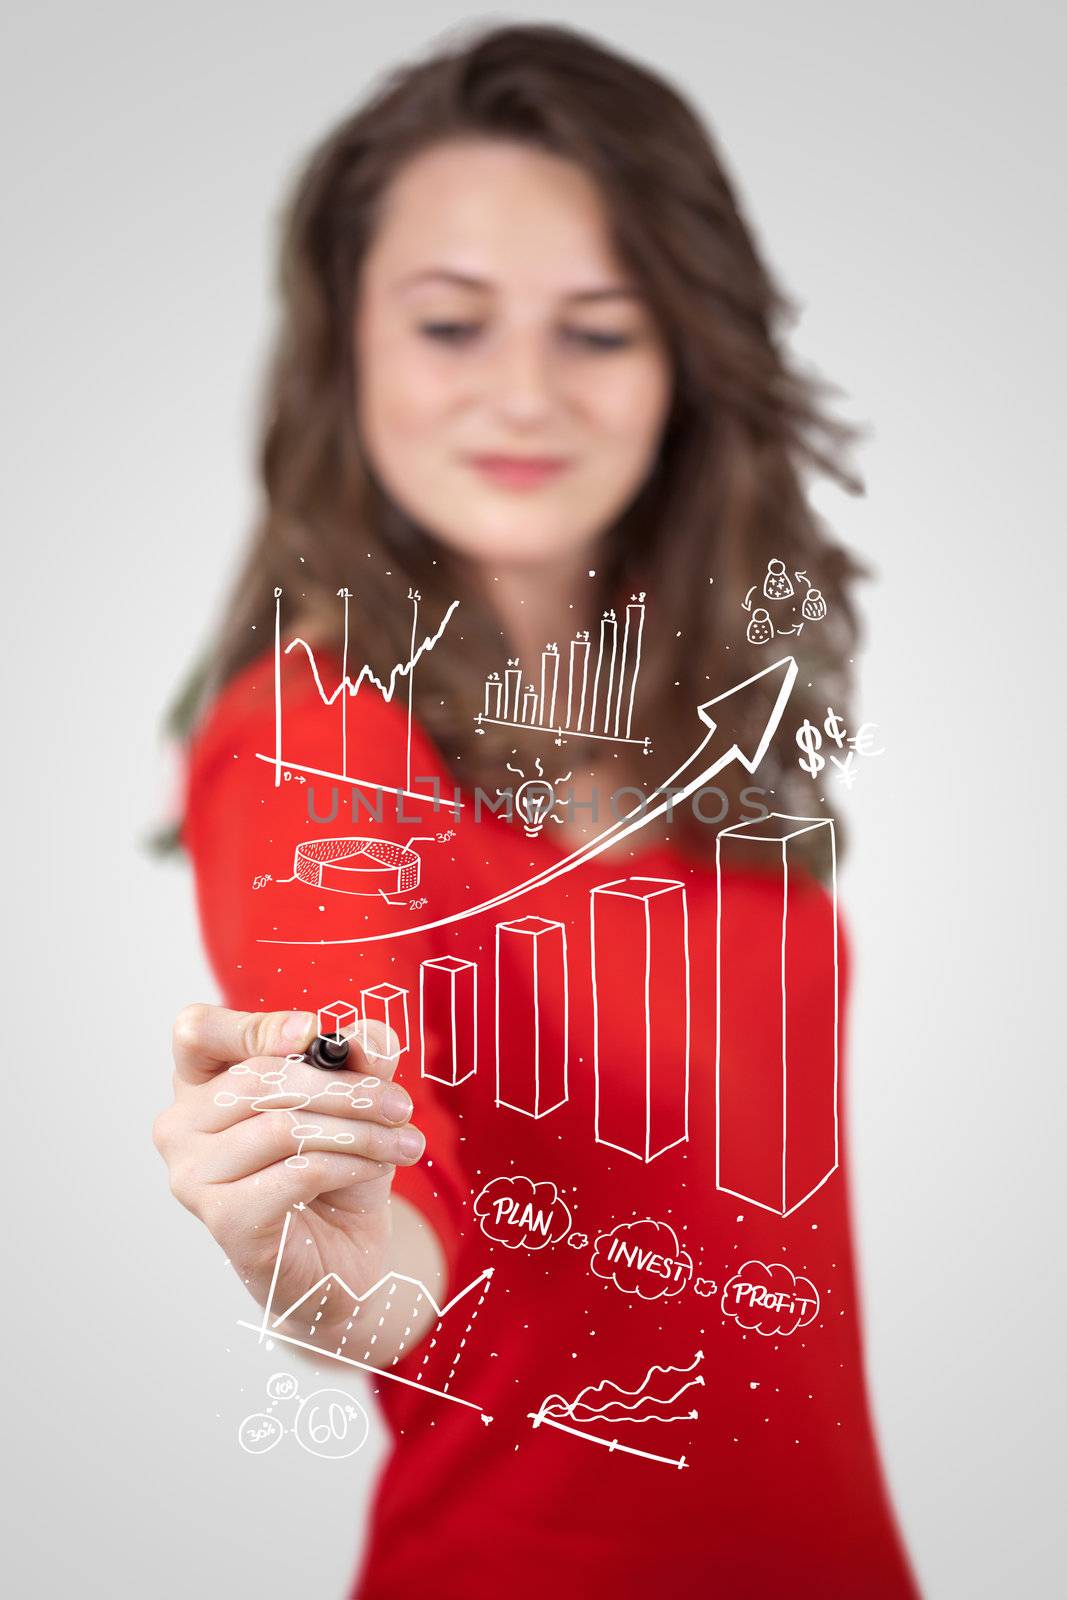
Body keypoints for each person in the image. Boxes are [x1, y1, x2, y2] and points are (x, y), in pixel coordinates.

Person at [153, 22, 920, 1598]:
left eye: (599, 332)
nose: (523, 395)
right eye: (450, 325)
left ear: (684, 362)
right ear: (347, 347)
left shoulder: (705, 740)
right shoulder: (317, 736)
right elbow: (382, 1197)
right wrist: (332, 1258)